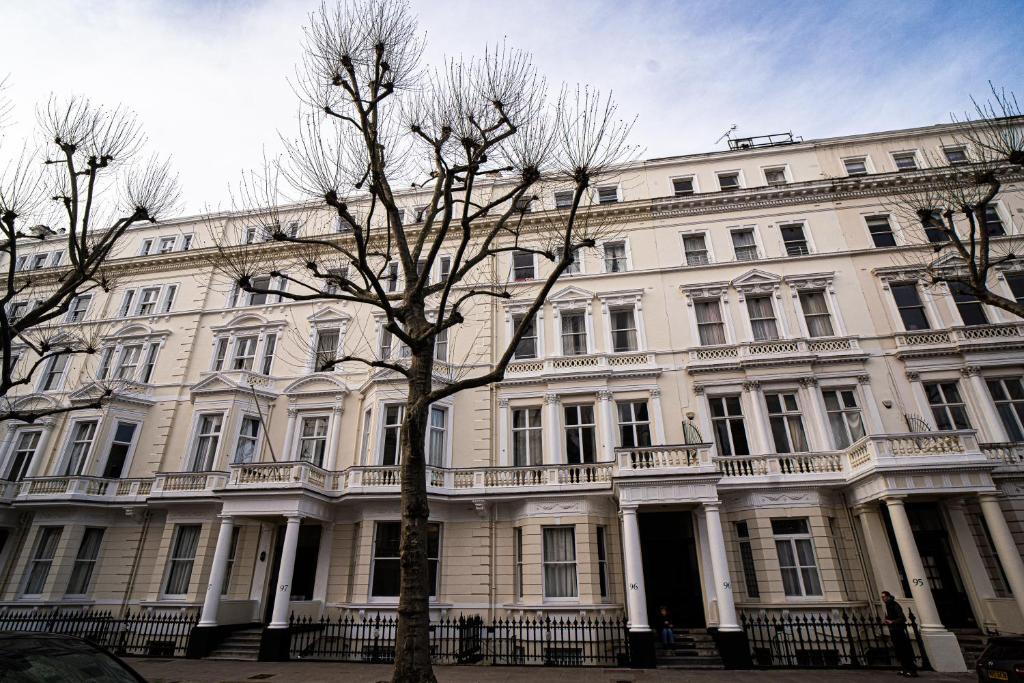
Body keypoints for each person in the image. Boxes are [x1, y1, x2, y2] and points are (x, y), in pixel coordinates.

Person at [882, 591, 918, 677]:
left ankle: (912, 670)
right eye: (882, 597)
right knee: (899, 651)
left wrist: (892, 622)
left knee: (905, 650)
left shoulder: (895, 605)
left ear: (888, 596)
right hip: (894, 631)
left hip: (899, 631)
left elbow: (902, 618)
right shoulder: (888, 605)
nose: (883, 598)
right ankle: (905, 668)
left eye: (884, 596)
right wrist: (888, 620)